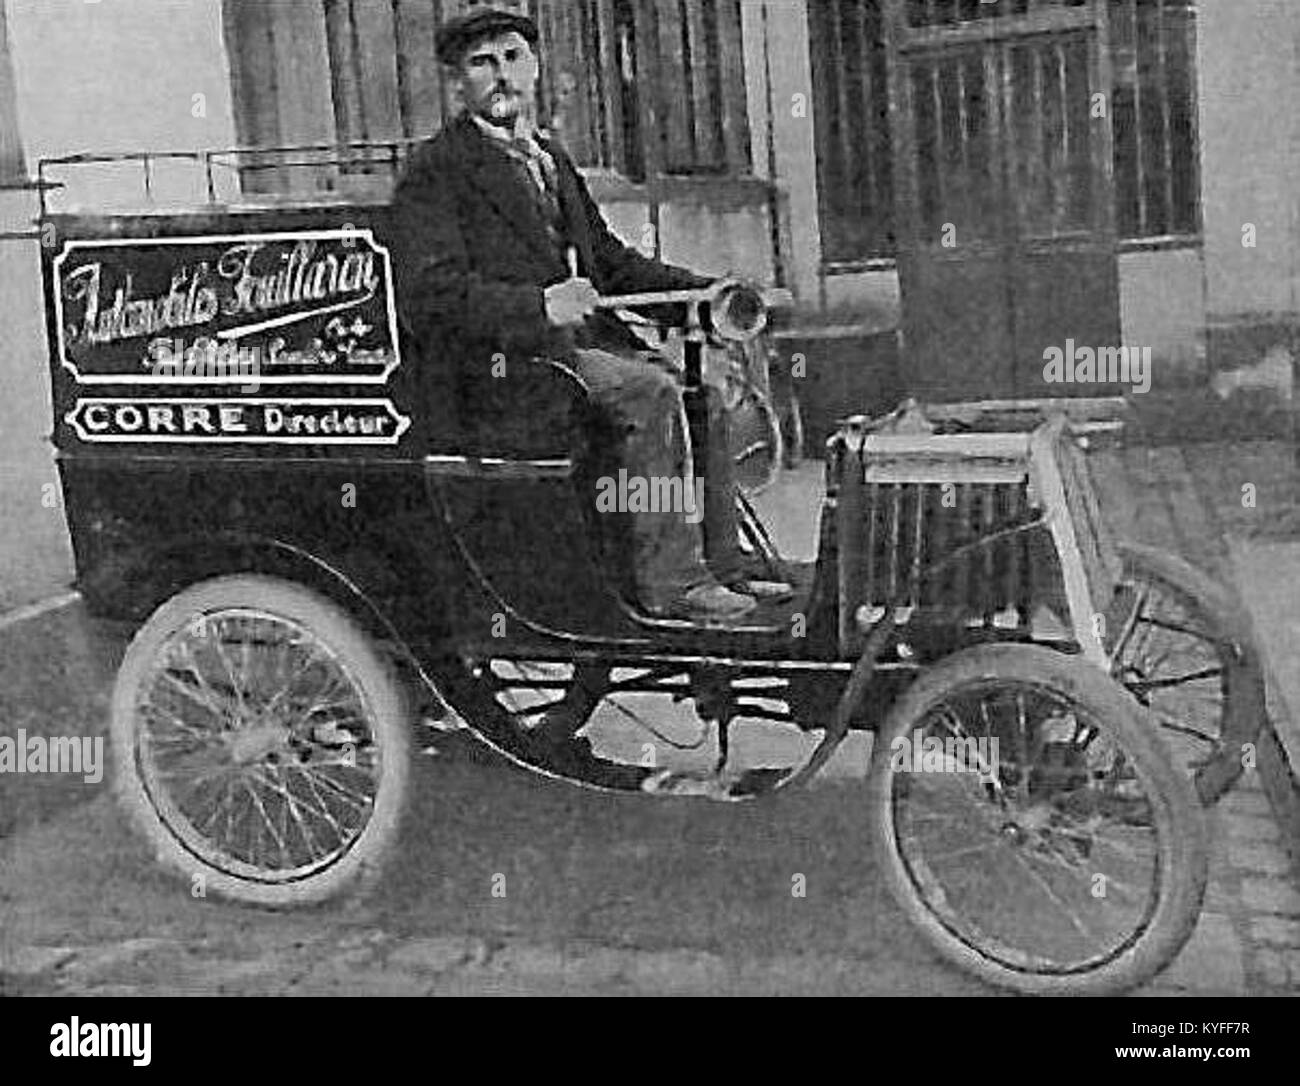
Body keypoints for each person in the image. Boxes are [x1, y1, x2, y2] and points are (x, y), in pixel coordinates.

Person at [390, 2, 791, 633]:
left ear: (537, 68)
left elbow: (612, 264)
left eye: (514, 59)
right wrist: (539, 305)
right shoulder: (435, 171)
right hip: (502, 371)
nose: (502, 76)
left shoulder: (549, 158)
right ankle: (671, 585)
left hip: (573, 354)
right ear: (454, 83)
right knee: (649, 392)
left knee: (702, 393)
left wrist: (708, 294)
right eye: (482, 63)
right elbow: (430, 296)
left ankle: (718, 562)